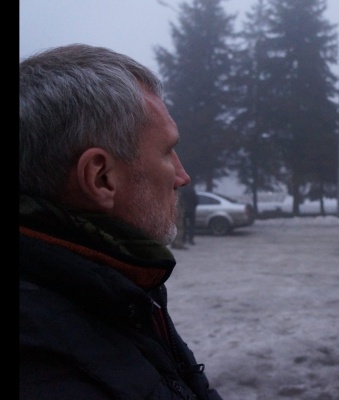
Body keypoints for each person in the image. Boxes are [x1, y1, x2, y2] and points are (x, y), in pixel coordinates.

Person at [19, 44, 224, 400]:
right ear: (101, 178)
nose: (182, 176)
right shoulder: (45, 368)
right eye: (166, 151)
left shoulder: (117, 282)